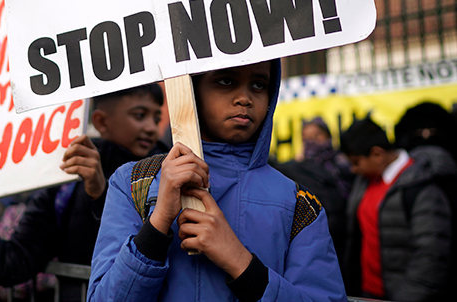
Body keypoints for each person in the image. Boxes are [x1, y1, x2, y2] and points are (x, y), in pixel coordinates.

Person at [88, 61, 346, 302]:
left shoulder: (298, 204)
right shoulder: (134, 182)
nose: (244, 98)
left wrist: (239, 261)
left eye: (259, 85)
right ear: (193, 89)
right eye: (225, 81)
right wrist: (158, 223)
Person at [0, 84, 168, 301]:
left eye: (156, 118)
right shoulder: (64, 178)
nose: (150, 128)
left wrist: (100, 193)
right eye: (139, 115)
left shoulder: (172, 173)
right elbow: (13, 263)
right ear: (101, 121)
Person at [341, 116, 455, 301]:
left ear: (377, 154)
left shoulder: (420, 186)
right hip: (366, 293)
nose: (353, 169)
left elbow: (431, 255)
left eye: (356, 162)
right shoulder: (363, 183)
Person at [272, 117, 353, 262]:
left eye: (317, 135)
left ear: (328, 136)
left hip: (348, 236)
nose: (312, 142)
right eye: (306, 138)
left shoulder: (346, 164)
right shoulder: (296, 169)